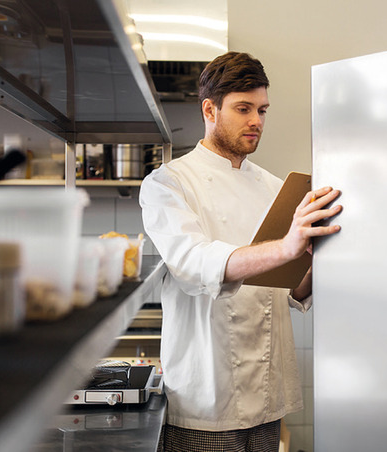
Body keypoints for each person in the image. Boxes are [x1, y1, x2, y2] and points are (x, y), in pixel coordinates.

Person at [139, 51, 342, 452]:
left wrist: (323, 254)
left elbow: (293, 289)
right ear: (210, 110)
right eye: (243, 108)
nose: (256, 121)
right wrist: (285, 247)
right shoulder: (168, 183)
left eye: (262, 110)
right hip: (206, 401)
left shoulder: (275, 187)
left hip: (268, 399)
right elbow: (193, 263)